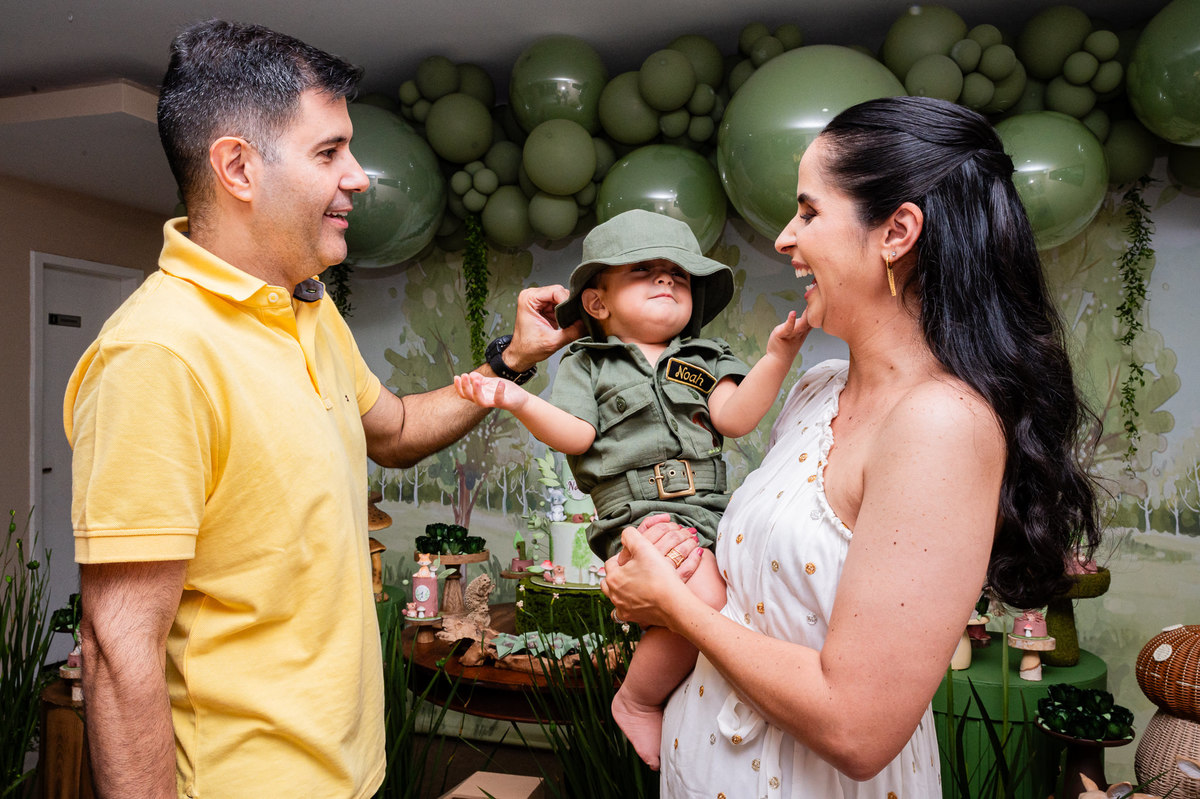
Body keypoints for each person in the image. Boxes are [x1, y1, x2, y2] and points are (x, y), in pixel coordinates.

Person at [63, 20, 579, 799]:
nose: (361, 176)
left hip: (350, 773)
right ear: (237, 166)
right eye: (329, 151)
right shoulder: (157, 355)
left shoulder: (308, 310)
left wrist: (508, 361)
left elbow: (398, 430)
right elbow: (117, 650)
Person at [600, 96, 1100, 797]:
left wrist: (672, 607)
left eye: (807, 212)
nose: (783, 238)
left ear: (897, 231)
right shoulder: (818, 388)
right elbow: (768, 596)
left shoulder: (941, 424)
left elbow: (857, 728)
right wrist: (682, 563)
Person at [453, 209, 807, 767]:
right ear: (598, 302)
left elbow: (736, 418)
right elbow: (576, 435)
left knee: (744, 598)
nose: (667, 279)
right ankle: (637, 701)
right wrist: (521, 400)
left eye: (680, 274)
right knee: (706, 598)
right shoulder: (586, 364)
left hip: (715, 511)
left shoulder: (706, 358)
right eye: (645, 270)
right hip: (638, 513)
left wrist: (777, 358)